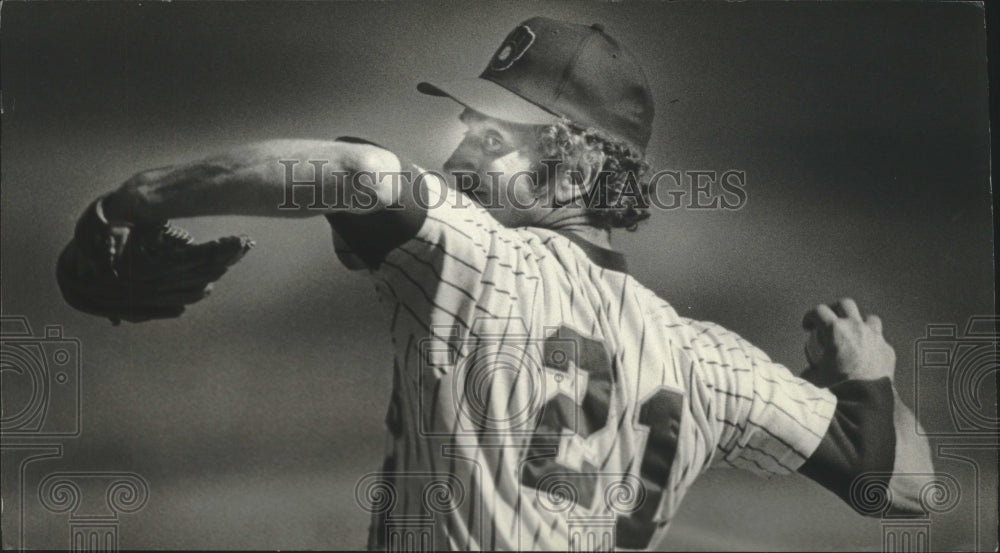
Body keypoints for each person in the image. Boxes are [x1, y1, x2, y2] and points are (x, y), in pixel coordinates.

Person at [59, 16, 934, 551]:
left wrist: (129, 202)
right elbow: (903, 489)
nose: (459, 149)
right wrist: (868, 380)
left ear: (575, 165)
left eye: (493, 136)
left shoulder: (477, 262)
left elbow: (356, 169)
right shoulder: (709, 364)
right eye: (467, 125)